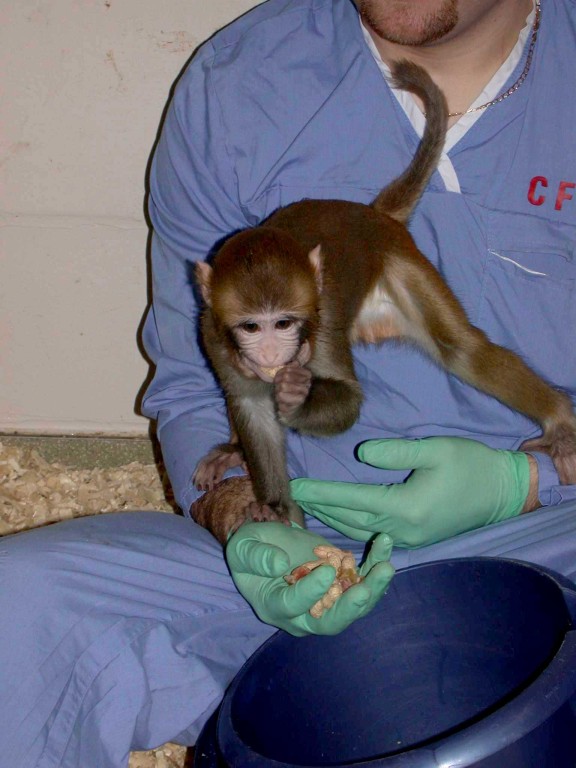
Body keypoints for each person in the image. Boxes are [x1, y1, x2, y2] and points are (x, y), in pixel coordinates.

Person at [2, 0, 576, 765]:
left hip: (554, 534)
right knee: (22, 606)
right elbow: (195, 390)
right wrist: (248, 525)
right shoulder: (241, 84)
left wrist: (530, 480)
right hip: (309, 554)